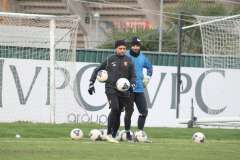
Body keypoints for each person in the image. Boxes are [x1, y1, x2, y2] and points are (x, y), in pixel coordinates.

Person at [88, 39, 136, 143]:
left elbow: (133, 76)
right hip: (111, 88)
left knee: (118, 112)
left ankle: (113, 134)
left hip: (124, 90)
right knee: (114, 108)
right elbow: (97, 69)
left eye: (124, 48)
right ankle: (109, 134)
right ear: (116, 49)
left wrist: (132, 83)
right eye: (120, 48)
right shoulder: (110, 59)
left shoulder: (129, 60)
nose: (122, 50)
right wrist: (91, 83)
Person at [124, 37, 153, 142]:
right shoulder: (125, 56)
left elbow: (150, 68)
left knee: (144, 112)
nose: (136, 47)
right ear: (131, 46)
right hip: (128, 89)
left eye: (138, 45)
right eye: (134, 45)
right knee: (129, 112)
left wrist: (148, 77)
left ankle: (139, 134)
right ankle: (127, 133)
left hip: (140, 89)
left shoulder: (143, 57)